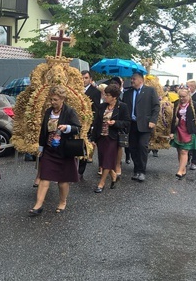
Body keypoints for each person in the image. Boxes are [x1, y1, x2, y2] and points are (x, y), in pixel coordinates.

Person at [28, 85, 81, 216]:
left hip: (64, 150)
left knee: (63, 180)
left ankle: (62, 202)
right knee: (44, 177)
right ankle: (38, 205)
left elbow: (77, 128)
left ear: (62, 99)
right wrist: (41, 147)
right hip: (49, 149)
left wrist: (67, 127)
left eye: (55, 99)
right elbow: (43, 131)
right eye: (51, 99)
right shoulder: (48, 112)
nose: (53, 102)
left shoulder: (69, 111)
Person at [91, 85, 130, 193]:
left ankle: (101, 183)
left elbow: (127, 122)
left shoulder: (122, 107)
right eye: (105, 94)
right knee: (103, 160)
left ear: (115, 97)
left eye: (107, 95)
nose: (105, 97)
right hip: (101, 137)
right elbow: (97, 122)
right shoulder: (102, 106)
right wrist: (93, 137)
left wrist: (115, 123)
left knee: (107, 160)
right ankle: (113, 175)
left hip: (113, 137)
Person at [122, 72, 160, 183]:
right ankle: (137, 168)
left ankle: (142, 171)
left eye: (134, 79)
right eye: (131, 79)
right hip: (132, 124)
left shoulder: (150, 91)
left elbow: (156, 106)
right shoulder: (127, 93)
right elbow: (124, 108)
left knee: (142, 146)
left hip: (145, 124)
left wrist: (153, 120)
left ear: (140, 80)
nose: (132, 81)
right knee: (132, 148)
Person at [169, 89, 196, 179]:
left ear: (188, 96)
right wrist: (171, 132)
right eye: (180, 97)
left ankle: (179, 170)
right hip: (179, 129)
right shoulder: (176, 104)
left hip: (189, 130)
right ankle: (183, 168)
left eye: (184, 96)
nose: (182, 98)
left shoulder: (194, 105)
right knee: (179, 150)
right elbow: (173, 119)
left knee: (184, 150)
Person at [78, 70, 99, 177]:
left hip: (87, 122)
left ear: (90, 79)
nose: (83, 80)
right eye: (82, 77)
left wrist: (93, 124)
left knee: (84, 145)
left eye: (86, 78)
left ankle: (81, 169)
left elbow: (95, 109)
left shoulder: (95, 92)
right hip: (76, 121)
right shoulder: (75, 90)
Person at [185, 80, 196, 168]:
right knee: (186, 143)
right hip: (186, 123)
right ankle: (187, 159)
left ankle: (194, 161)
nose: (187, 88)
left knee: (194, 143)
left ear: (193, 87)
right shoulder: (185, 96)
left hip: (193, 122)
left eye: (188, 86)